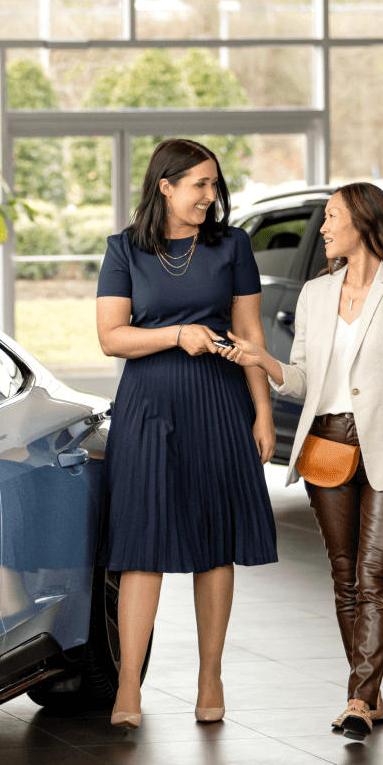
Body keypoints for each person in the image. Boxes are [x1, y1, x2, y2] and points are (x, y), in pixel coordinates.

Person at [221, 182, 383, 739]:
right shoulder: (316, 295)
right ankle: (367, 694)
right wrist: (262, 360)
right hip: (327, 446)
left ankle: (358, 700)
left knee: (373, 574)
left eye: (331, 217)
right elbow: (302, 380)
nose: (321, 228)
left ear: (363, 222)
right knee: (345, 576)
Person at [96, 138, 277, 729]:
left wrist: (263, 413)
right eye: (198, 184)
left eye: (214, 184)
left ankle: (210, 676)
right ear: (164, 186)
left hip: (219, 402)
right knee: (140, 543)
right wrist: (178, 335)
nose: (210, 195)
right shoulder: (124, 250)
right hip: (147, 404)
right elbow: (112, 337)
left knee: (213, 543)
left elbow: (250, 333)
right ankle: (128, 688)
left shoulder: (232, 245)